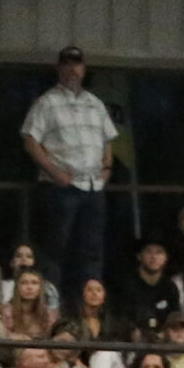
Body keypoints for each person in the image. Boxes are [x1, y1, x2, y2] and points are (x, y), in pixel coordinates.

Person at [20, 45, 120, 300]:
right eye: (67, 64)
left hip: (92, 187)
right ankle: (54, 306)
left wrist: (106, 168)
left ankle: (87, 308)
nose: (72, 69)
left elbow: (108, 139)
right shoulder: (47, 101)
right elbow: (30, 140)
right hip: (61, 188)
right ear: (59, 68)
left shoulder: (94, 103)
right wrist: (53, 171)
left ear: (84, 69)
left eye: (76, 64)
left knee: (91, 252)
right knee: (55, 252)